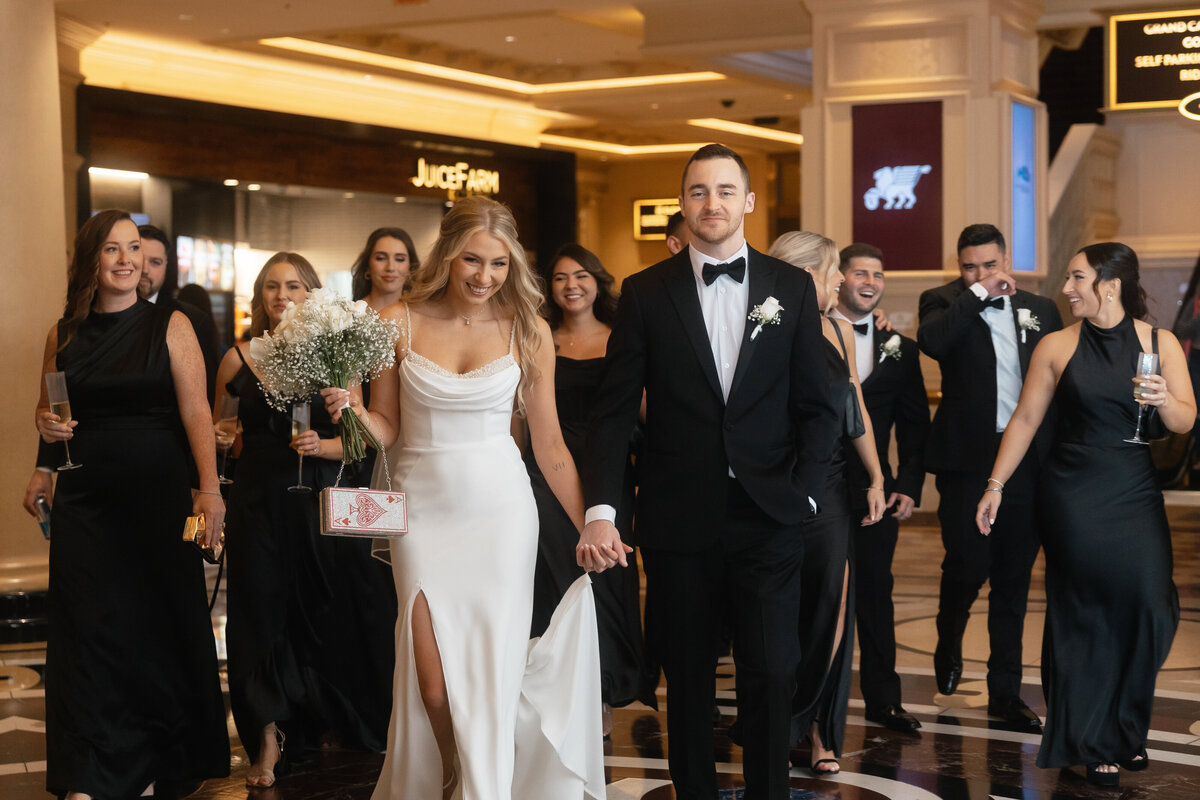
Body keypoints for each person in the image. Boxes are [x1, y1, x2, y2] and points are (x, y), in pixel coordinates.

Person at [323, 196, 606, 800]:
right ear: (447, 255)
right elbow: (387, 427)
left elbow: (550, 445)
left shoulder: (528, 330)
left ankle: (479, 788)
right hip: (421, 512)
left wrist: (591, 523)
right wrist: (349, 413)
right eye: (472, 260)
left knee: (489, 678)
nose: (484, 276)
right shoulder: (396, 321)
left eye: (499, 264)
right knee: (433, 685)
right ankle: (458, 775)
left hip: (502, 515)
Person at [582, 144, 840, 800]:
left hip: (769, 513)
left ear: (747, 202)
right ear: (684, 203)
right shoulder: (644, 293)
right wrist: (603, 509)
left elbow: (819, 405)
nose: (712, 204)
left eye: (726, 191)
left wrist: (806, 495)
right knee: (689, 678)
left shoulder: (791, 288)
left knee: (773, 670)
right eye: (699, 191)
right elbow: (613, 417)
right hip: (677, 517)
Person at [25, 209, 229, 800]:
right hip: (85, 503)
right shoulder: (62, 334)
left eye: (133, 248)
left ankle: (157, 759)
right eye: (111, 250)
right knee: (86, 633)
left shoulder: (171, 323)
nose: (125, 260)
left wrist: (210, 491)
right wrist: (42, 456)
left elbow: (196, 413)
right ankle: (89, 771)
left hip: (159, 501)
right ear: (90, 260)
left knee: (154, 631)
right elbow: (52, 411)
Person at [975, 242, 1190, 786]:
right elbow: (1025, 419)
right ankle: (1095, 739)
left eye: (1076, 278)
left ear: (1110, 284)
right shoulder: (1055, 345)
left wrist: (1164, 398)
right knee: (1087, 611)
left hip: (1134, 487)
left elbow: (1185, 420)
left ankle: (1123, 724)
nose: (1067, 288)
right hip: (1072, 493)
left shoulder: (1161, 343)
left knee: (1150, 604)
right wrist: (996, 483)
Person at [214, 253, 396, 788]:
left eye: (293, 286)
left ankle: (317, 718)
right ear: (259, 296)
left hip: (318, 501)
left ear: (311, 294)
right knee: (258, 615)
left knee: (317, 612)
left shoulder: (336, 356)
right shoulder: (237, 359)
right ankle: (264, 739)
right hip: (257, 502)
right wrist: (227, 442)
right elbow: (217, 429)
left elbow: (364, 445)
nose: (281, 295)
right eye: (271, 286)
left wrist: (325, 445)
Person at [917, 223, 1061, 731]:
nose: (979, 273)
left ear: (1007, 261)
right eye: (969, 267)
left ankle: (1005, 693)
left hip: (1025, 461)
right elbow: (933, 343)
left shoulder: (1041, 309)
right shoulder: (941, 301)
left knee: (1013, 580)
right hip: (966, 461)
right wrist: (978, 294)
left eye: (989, 265)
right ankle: (949, 632)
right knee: (968, 562)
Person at [768, 232, 886, 775]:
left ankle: (817, 728)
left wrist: (876, 474)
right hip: (775, 483)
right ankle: (776, 720)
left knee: (831, 607)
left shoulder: (837, 328)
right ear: (805, 272)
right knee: (781, 611)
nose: (841, 279)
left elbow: (853, 404)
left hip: (834, 483)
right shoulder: (763, 326)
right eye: (835, 270)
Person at [527, 243, 656, 733]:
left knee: (607, 578)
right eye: (560, 278)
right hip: (547, 469)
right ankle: (558, 687)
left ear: (598, 281)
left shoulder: (622, 336)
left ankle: (603, 688)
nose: (571, 285)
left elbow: (644, 409)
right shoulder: (540, 338)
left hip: (607, 474)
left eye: (580, 275)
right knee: (555, 578)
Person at [832, 243, 930, 733]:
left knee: (876, 591)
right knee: (822, 597)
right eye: (859, 273)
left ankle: (884, 701)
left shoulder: (902, 348)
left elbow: (915, 425)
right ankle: (813, 707)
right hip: (819, 488)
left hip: (879, 492)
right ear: (839, 278)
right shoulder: (813, 334)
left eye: (877, 274)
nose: (869, 282)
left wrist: (908, 485)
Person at [138, 225, 220, 404]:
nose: (145, 269)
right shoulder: (95, 316)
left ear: (166, 266)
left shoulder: (193, 320)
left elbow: (206, 396)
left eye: (155, 262)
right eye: (139, 259)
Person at [350, 226, 421, 310]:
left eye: (399, 259)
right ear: (367, 266)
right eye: (381, 258)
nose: (390, 267)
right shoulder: (348, 315)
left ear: (411, 267)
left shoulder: (421, 314)